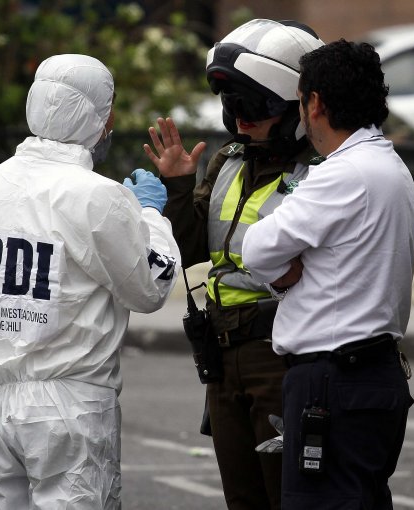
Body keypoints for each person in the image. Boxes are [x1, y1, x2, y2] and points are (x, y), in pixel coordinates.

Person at [0, 54, 180, 510]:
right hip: (69, 407)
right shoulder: (97, 196)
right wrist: (149, 215)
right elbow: (149, 286)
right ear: (103, 118)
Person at [142, 19, 323, 510]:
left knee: (288, 496)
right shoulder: (229, 161)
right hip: (222, 355)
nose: (241, 118)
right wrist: (180, 186)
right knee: (242, 499)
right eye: (232, 104)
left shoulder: (320, 174)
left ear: (298, 109)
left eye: (256, 105)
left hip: (279, 355)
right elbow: (195, 250)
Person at [242, 39, 414, 509]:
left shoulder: (344, 173)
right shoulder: (389, 166)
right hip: (371, 374)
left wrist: (281, 273)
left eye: (301, 101)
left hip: (334, 380)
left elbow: (256, 247)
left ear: (315, 102)